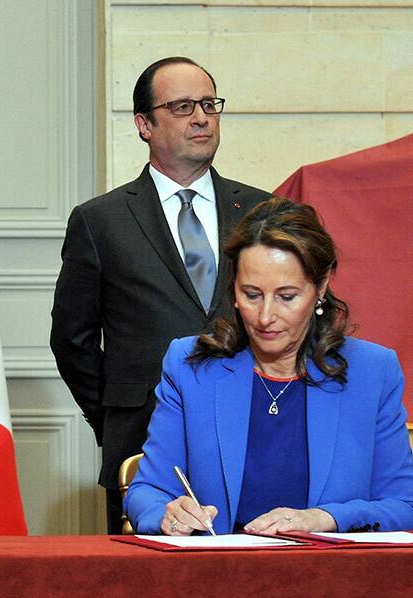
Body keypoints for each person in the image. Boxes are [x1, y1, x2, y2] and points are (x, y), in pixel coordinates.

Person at [50, 56, 269, 533]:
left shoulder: (263, 210)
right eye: (183, 106)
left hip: (255, 434)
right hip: (143, 442)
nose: (201, 118)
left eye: (209, 104)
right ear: (143, 124)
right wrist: (115, 415)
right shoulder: (100, 220)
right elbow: (72, 339)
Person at [126, 197, 413, 535]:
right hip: (216, 577)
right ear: (233, 289)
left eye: (287, 297)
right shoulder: (190, 366)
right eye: (251, 294)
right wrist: (167, 513)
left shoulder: (372, 372)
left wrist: (326, 519)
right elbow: (148, 491)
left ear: (320, 289)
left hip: (328, 579)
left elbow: (403, 505)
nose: (265, 317)